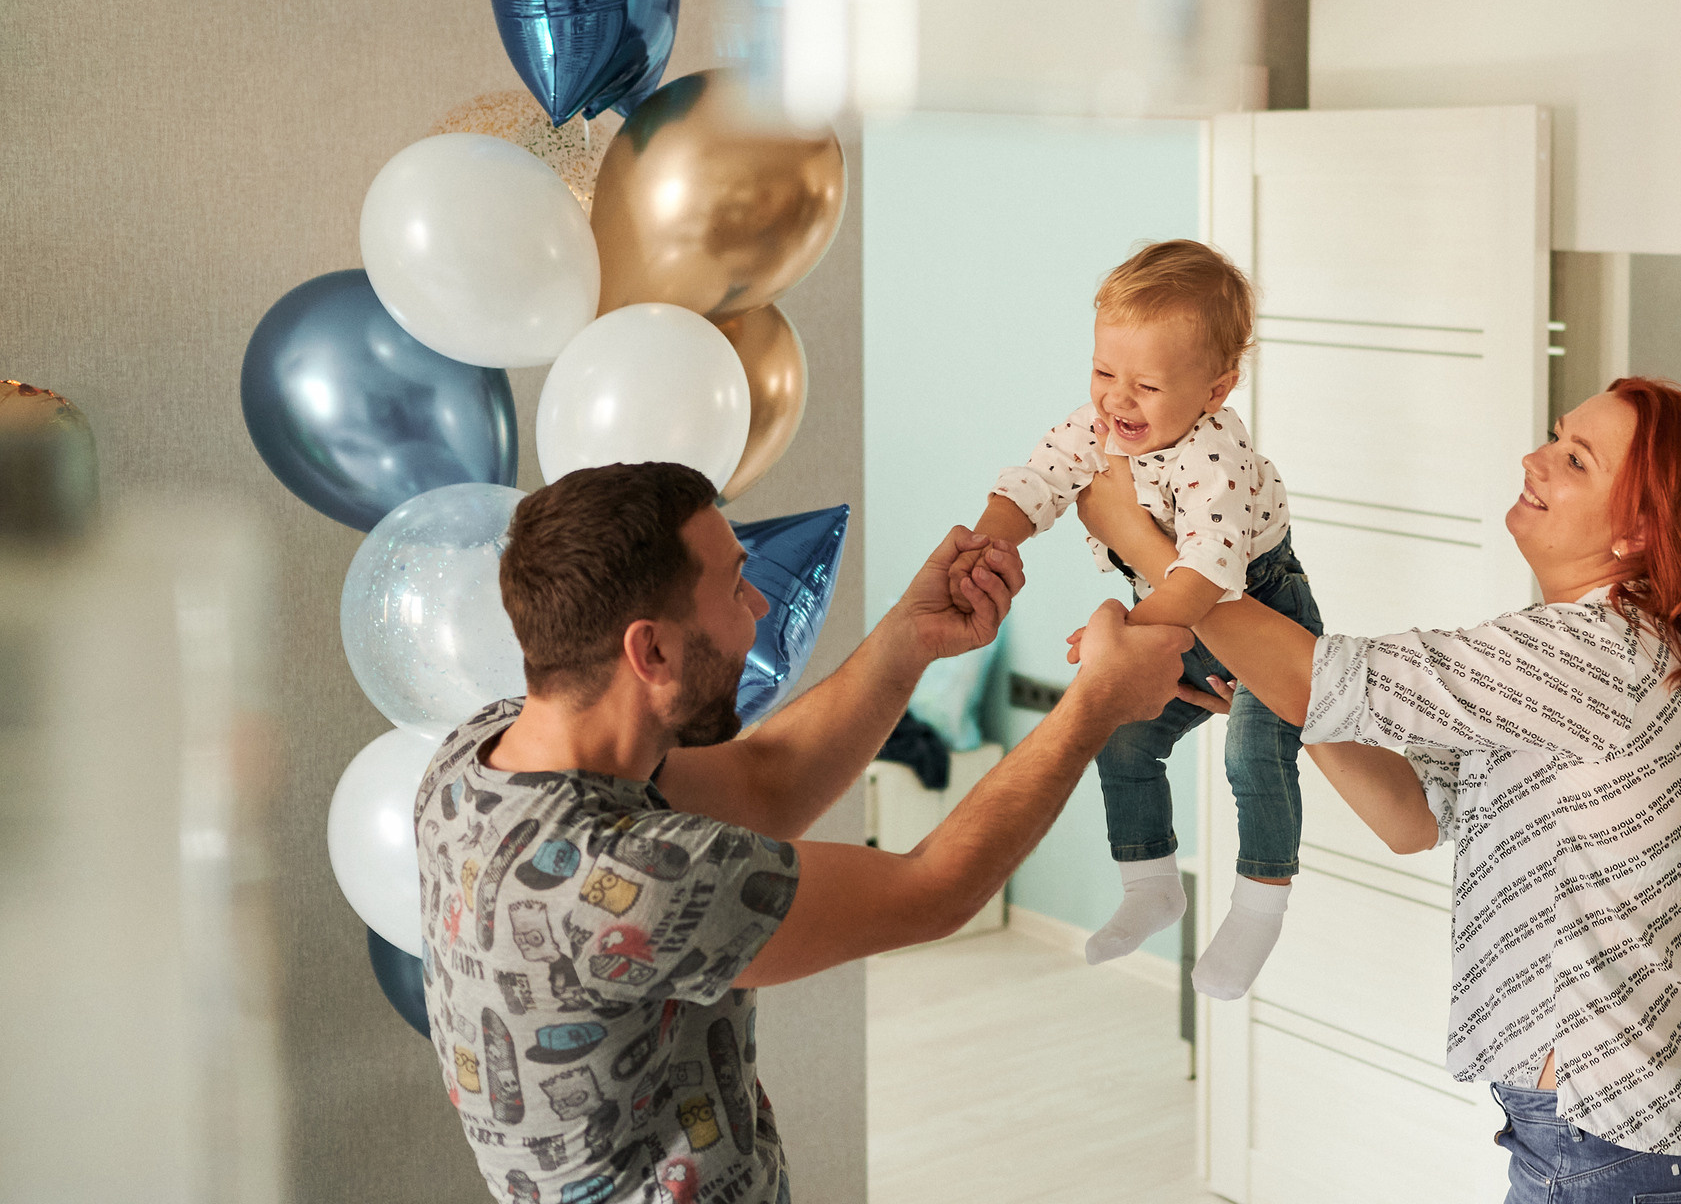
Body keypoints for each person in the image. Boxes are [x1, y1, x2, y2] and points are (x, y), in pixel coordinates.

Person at [1075, 376, 1681, 1204]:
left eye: (1574, 458)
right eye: (1555, 435)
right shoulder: (1632, 647)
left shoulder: (1593, 653)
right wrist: (1270, 691)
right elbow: (1414, 815)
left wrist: (1145, 544)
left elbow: (1327, 681)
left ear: (1639, 530)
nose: (1534, 458)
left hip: (1619, 1147)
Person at [415, 460, 1190, 1204]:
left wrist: (910, 635)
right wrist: (1097, 704)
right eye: (732, 586)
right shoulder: (631, 883)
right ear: (648, 649)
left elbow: (766, 780)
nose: (758, 606)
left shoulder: (477, 756)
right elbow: (935, 890)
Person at [963, 239, 1325, 997]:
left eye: (1146, 385)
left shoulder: (1216, 461)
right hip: (1166, 615)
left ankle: (1259, 906)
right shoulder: (1094, 430)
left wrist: (1122, 645)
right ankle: (1150, 885)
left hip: (1256, 609)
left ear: (1215, 391)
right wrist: (982, 546)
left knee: (1253, 756)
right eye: (1103, 373)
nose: (1117, 401)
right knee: (1123, 740)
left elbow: (1200, 582)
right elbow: (1036, 484)